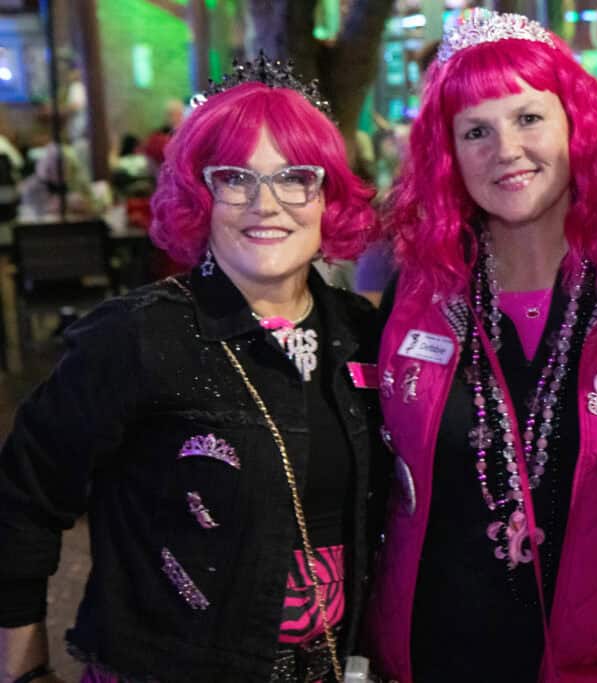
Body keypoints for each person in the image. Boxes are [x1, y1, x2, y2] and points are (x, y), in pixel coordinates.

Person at [0, 56, 387, 682]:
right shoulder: (137, 336)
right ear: (201, 197)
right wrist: (22, 670)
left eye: (295, 178)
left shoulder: (361, 333)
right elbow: (21, 498)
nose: (268, 205)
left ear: (326, 197)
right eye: (235, 179)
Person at [366, 10, 597, 683]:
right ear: (448, 154)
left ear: (576, 126)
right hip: (441, 651)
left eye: (529, 118)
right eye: (476, 131)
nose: (506, 149)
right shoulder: (416, 290)